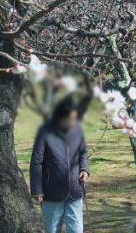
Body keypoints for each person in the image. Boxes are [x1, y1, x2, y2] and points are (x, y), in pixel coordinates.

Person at [30, 99, 90, 233]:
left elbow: (83, 154)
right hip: (52, 193)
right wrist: (37, 190)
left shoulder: (78, 131)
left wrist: (84, 170)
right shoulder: (45, 132)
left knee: (76, 229)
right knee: (52, 230)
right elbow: (36, 162)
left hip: (75, 190)